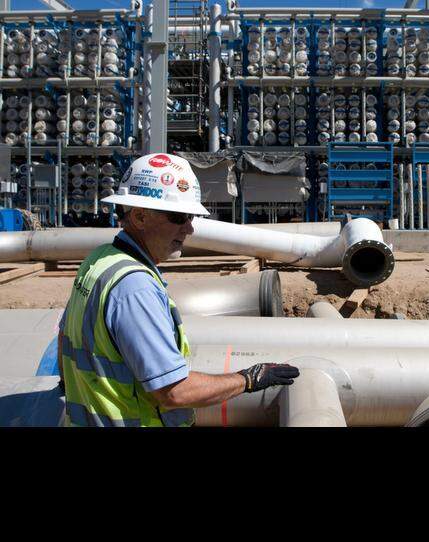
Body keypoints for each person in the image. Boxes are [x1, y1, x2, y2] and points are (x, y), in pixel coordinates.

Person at [57, 152, 299, 427]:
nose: (190, 228)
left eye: (191, 216)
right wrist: (248, 379)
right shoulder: (135, 288)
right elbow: (174, 391)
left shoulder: (99, 259)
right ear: (139, 217)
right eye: (179, 216)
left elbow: (64, 339)